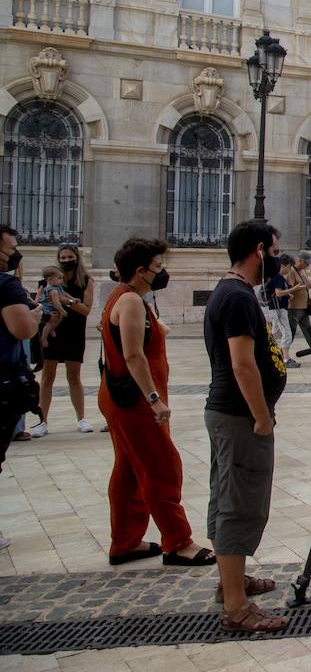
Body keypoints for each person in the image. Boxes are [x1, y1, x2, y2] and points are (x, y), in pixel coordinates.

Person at [99, 237, 214, 567]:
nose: (162, 272)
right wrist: (154, 400)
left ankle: (125, 541)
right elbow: (134, 355)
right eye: (158, 267)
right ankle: (178, 542)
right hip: (135, 401)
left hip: (121, 397)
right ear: (140, 270)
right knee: (161, 466)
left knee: (128, 471)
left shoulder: (124, 298)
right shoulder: (131, 300)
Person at [203, 220, 289, 633]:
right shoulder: (236, 296)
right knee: (238, 504)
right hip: (239, 417)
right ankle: (236, 606)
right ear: (259, 250)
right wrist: (261, 416)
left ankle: (230, 582)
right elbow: (241, 363)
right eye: (275, 249)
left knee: (227, 497)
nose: (278, 257)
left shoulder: (234, 292)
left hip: (232, 415)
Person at [33, 244, 95, 437]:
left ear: (77, 258)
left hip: (74, 331)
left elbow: (86, 309)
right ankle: (42, 421)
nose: (67, 261)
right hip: (52, 331)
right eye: (63, 258)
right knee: (47, 376)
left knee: (74, 376)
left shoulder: (85, 280)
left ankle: (81, 418)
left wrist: (65, 301)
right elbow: (35, 306)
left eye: (70, 257)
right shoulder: (46, 282)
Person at [0, 226, 40, 473]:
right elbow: (23, 330)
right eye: (11, 248)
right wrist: (35, 316)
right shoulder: (6, 284)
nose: (14, 254)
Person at [284, 255, 311, 363]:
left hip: (303, 307)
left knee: (308, 330)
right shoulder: (291, 271)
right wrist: (305, 285)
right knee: (290, 333)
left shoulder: (302, 272)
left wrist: (308, 285)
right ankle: (283, 355)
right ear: (300, 260)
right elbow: (289, 289)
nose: (307, 266)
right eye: (306, 263)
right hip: (294, 308)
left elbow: (305, 284)